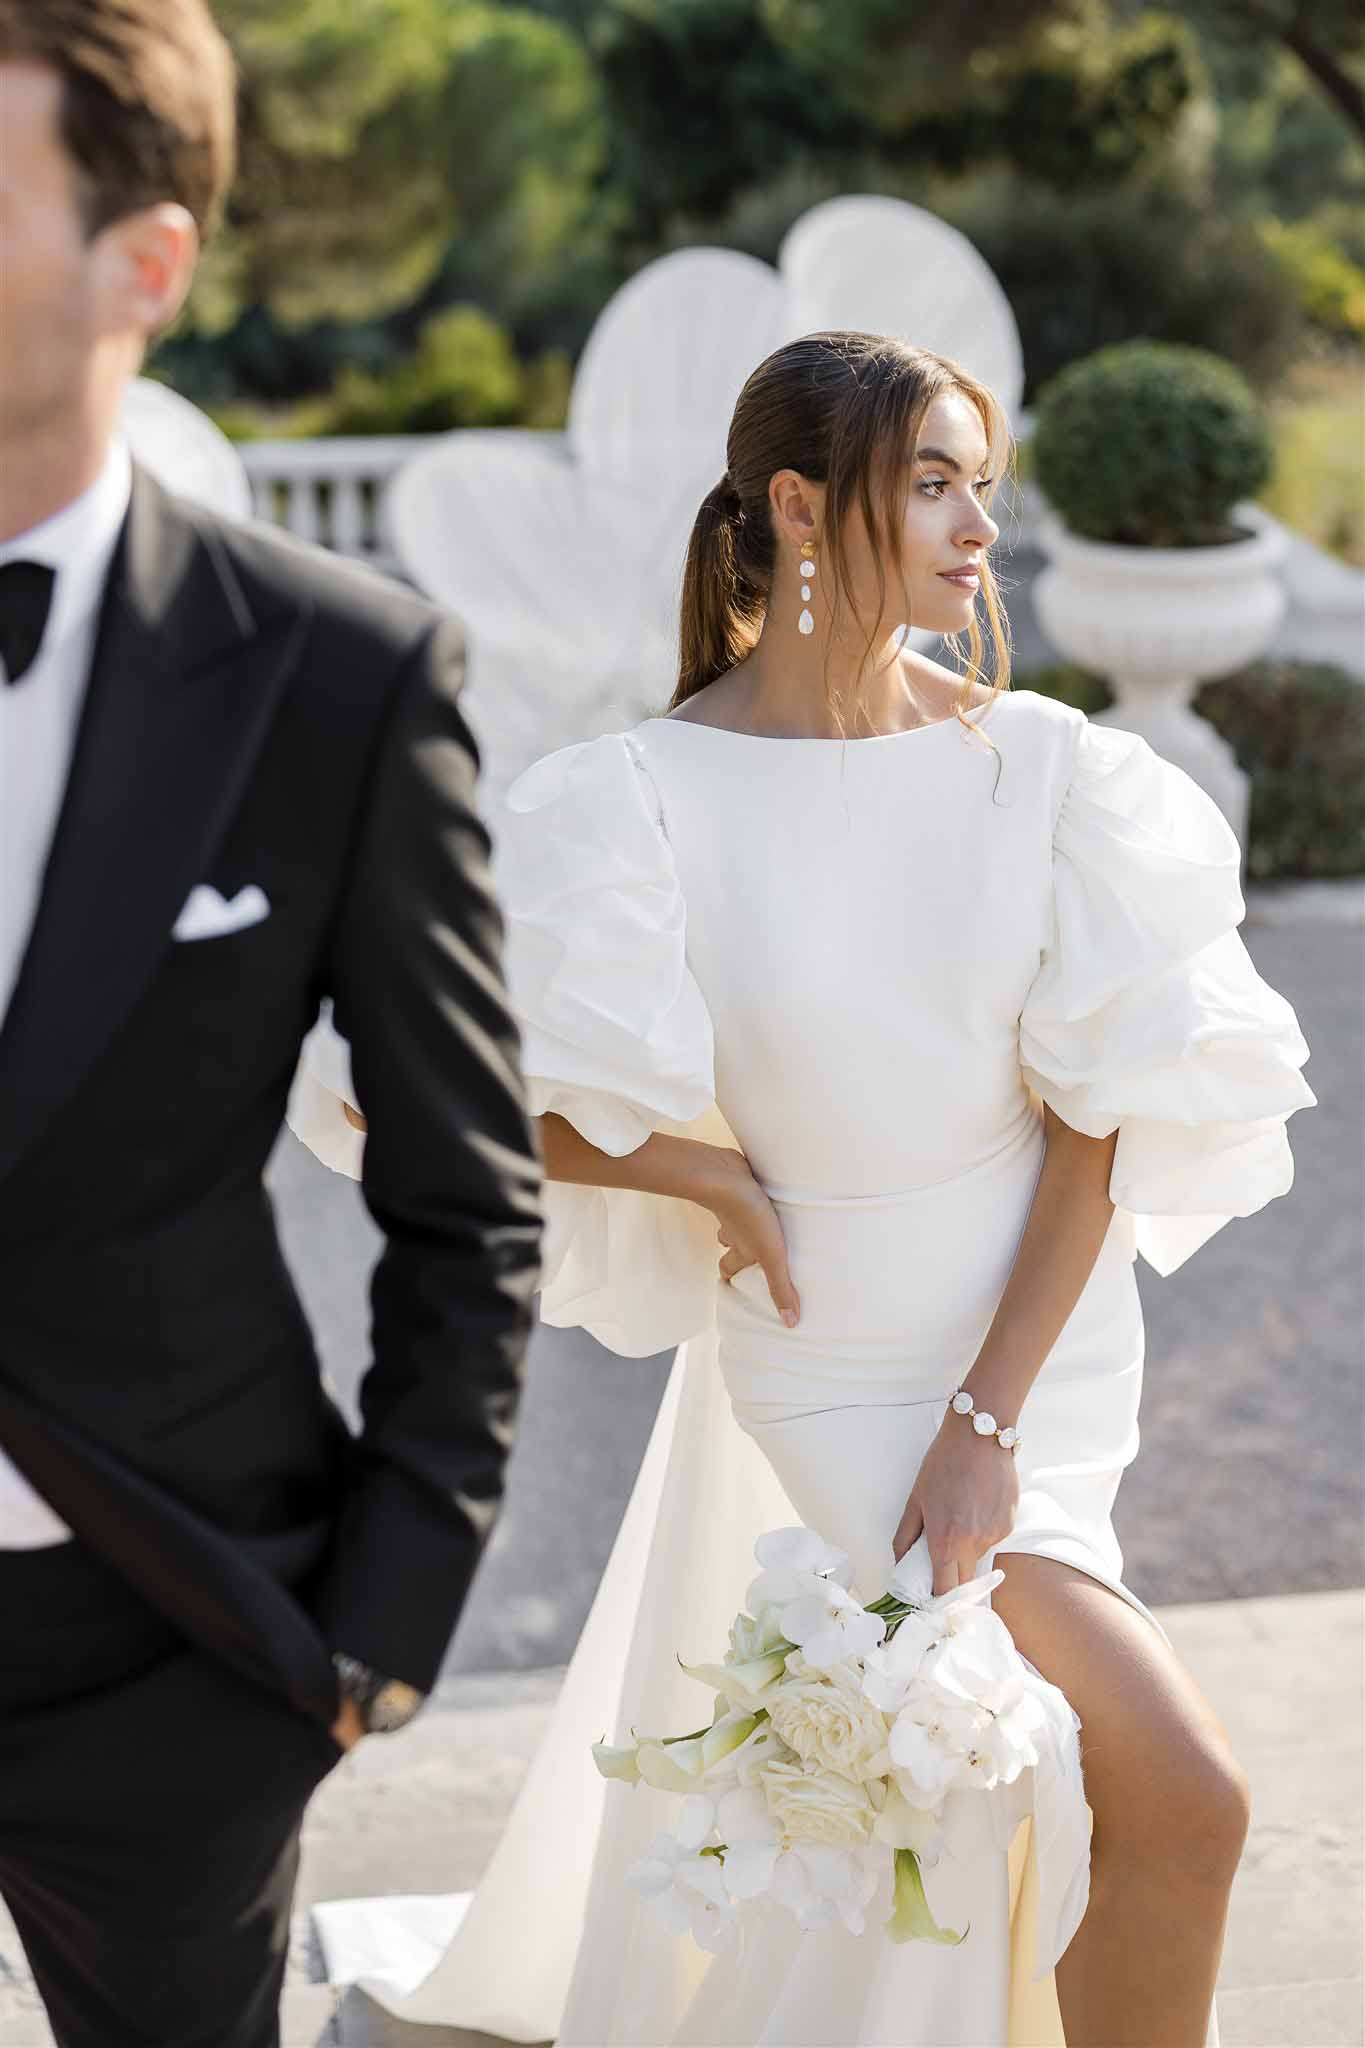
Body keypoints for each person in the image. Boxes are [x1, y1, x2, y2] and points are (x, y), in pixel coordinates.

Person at [294, 333, 1315, 2044]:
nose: (981, 529)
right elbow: (401, 1100)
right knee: (1123, 1788)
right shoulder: (635, 802)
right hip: (830, 1373)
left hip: (1031, 1375)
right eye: (933, 483)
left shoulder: (1048, 771)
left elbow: (1097, 1123)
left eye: (980, 485)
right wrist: (692, 1170)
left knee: (1109, 1796)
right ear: (795, 503)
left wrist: (988, 1427)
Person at [0, 5, 543, 2045]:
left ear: (142, 266)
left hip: (171, 1642)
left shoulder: (338, 678)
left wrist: (376, 1627)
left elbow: (465, 1192)